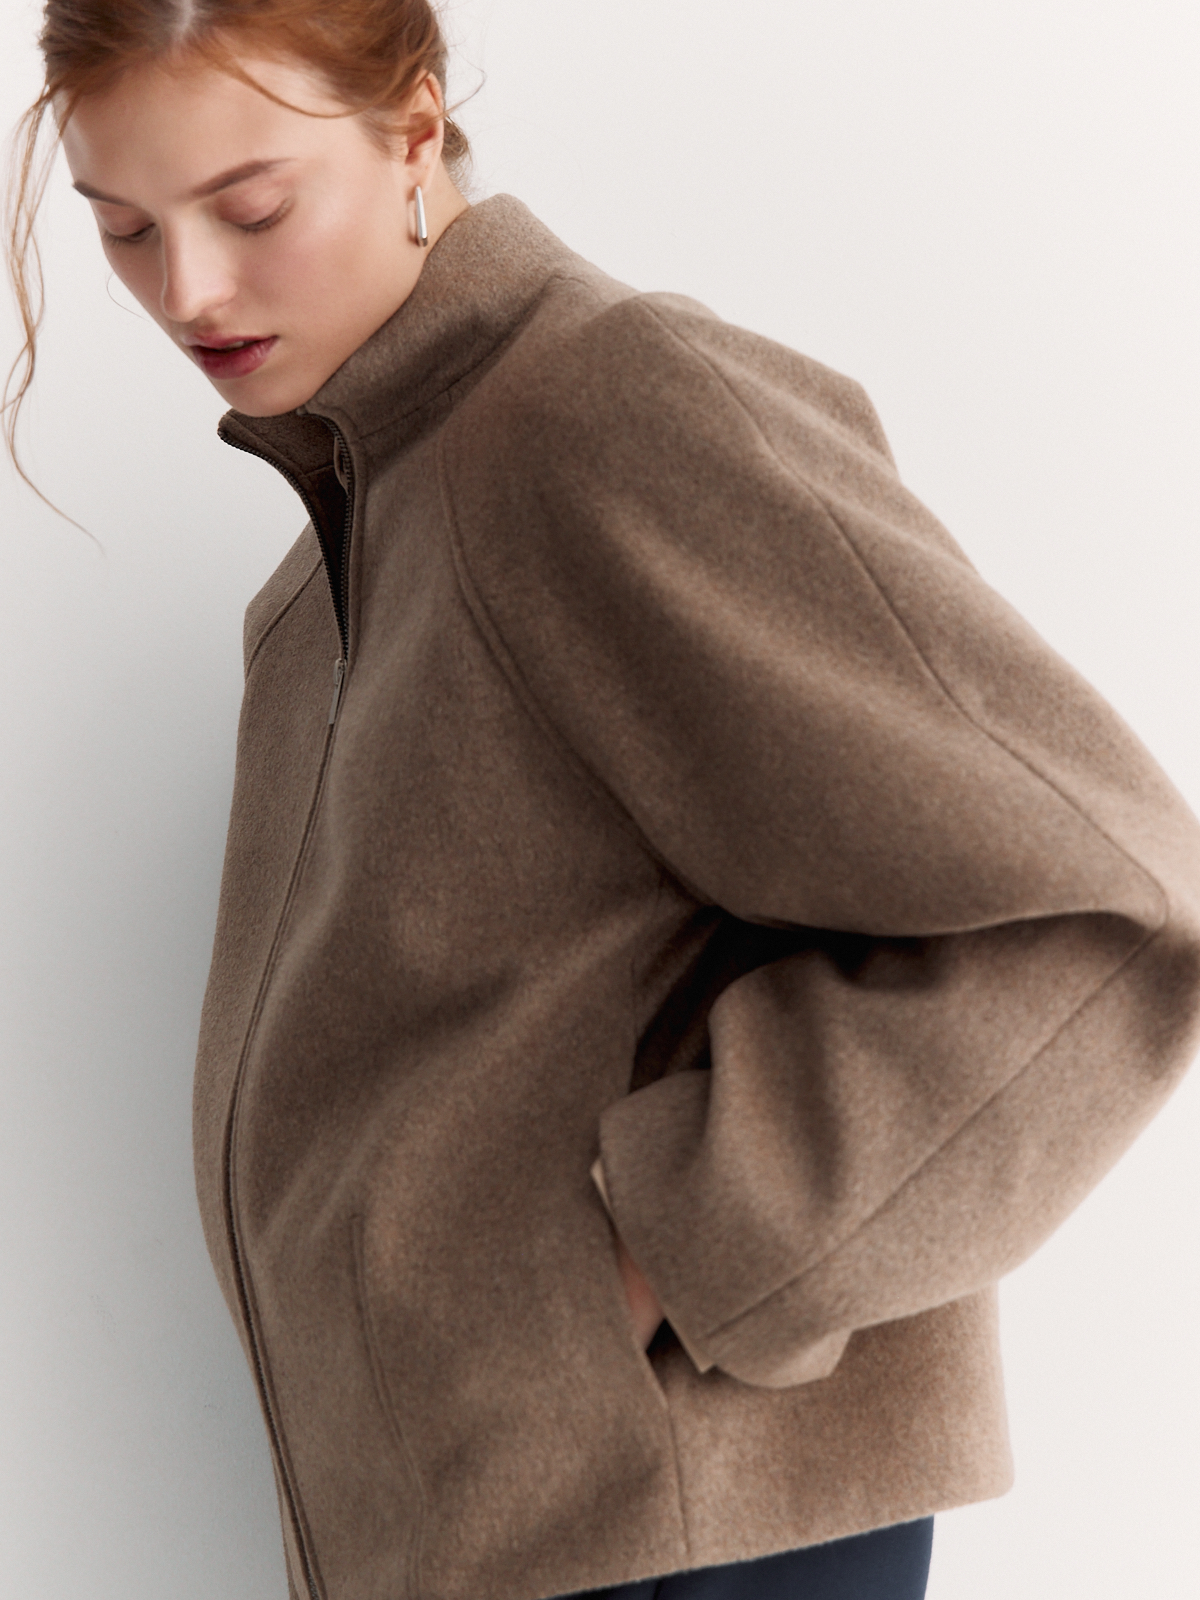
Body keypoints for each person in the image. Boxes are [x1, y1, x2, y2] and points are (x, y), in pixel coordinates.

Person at [7, 4, 1200, 1599]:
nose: (189, 292)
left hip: (674, 1520)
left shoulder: (605, 408)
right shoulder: (326, 583)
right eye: (126, 230)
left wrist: (676, 1253)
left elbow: (1104, 904)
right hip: (484, 1531)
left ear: (414, 130)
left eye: (253, 206)